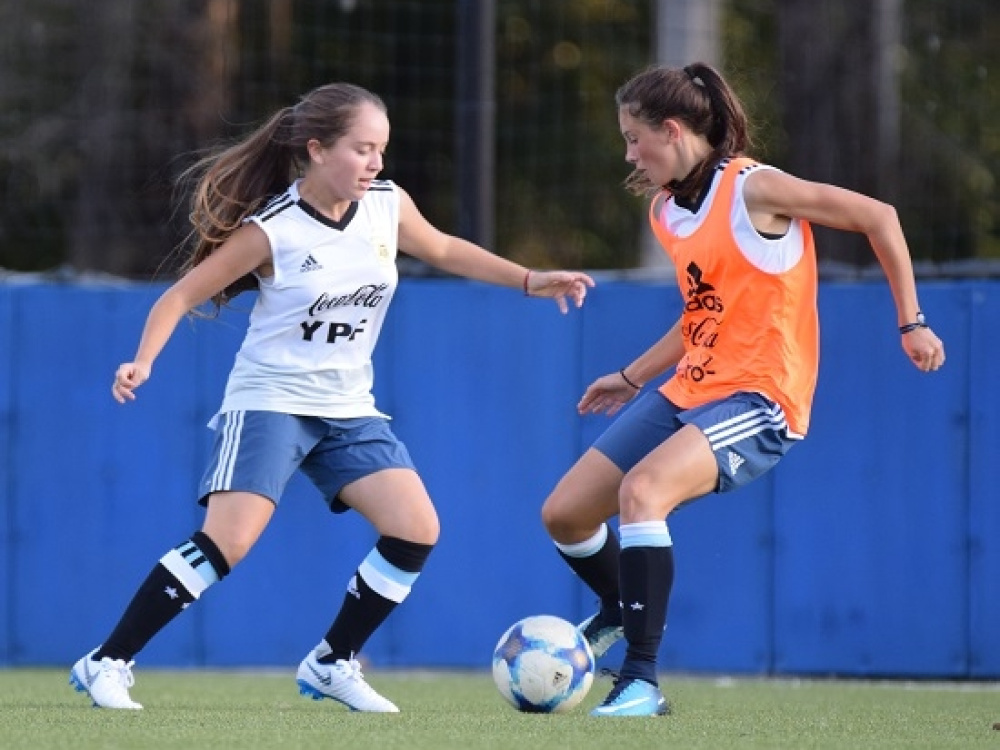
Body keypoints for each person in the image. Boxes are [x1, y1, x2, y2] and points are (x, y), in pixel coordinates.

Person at [69, 82, 594, 712]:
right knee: (228, 542)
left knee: (415, 529)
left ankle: (331, 662)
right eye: (362, 148)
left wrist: (531, 279)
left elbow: (444, 248)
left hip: (348, 406)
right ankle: (107, 661)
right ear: (317, 150)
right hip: (270, 399)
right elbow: (180, 295)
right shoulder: (273, 230)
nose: (375, 162)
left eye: (381, 149)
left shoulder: (387, 205)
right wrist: (143, 361)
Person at [540, 62, 945, 718]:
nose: (629, 154)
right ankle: (616, 606)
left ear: (673, 130)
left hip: (761, 397)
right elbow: (701, 314)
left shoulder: (755, 189)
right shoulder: (667, 211)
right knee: (564, 514)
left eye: (634, 138)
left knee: (643, 492)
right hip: (691, 387)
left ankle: (640, 681)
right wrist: (632, 376)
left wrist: (912, 321)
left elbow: (880, 216)